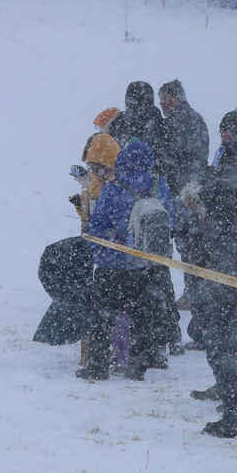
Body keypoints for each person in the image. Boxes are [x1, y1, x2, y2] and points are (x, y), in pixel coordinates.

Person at [80, 141, 180, 380]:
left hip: (113, 265)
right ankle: (138, 365)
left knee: (103, 317)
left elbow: (98, 227)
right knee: (144, 317)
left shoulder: (112, 189)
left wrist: (99, 253)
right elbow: (172, 222)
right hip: (149, 265)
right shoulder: (160, 185)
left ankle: (97, 366)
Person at [187, 166, 237, 437]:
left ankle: (232, 415)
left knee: (222, 355)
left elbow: (195, 263)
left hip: (216, 302)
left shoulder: (209, 228)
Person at [157, 80, 210, 190]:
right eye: (160, 99)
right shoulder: (196, 118)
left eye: (165, 98)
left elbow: (169, 155)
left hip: (177, 183)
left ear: (178, 98)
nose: (161, 103)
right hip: (195, 181)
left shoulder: (174, 122)